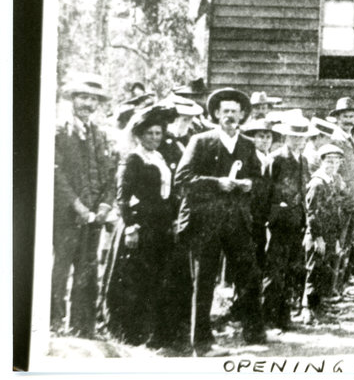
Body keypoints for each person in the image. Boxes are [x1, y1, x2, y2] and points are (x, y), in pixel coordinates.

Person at [174, 87, 266, 354]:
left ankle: (254, 334)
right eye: (225, 111)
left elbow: (259, 180)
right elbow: (183, 180)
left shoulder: (247, 145)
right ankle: (201, 342)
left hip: (237, 222)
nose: (230, 116)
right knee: (204, 282)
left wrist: (250, 184)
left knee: (249, 276)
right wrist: (217, 184)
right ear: (216, 113)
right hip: (206, 223)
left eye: (235, 112)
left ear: (242, 116)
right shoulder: (201, 141)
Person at [102, 104, 183, 347]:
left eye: (159, 134)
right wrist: (130, 228)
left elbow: (167, 193)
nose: (155, 138)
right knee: (136, 279)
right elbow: (122, 196)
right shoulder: (133, 159)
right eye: (150, 134)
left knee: (158, 278)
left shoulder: (160, 157)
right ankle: (131, 331)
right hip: (140, 227)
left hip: (160, 227)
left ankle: (154, 332)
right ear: (139, 135)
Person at [52, 73, 116, 338]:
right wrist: (78, 206)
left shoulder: (100, 134)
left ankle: (83, 327)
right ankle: (54, 324)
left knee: (88, 270)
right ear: (72, 99)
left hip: (95, 215)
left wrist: (103, 206)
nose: (88, 103)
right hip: (67, 214)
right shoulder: (59, 131)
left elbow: (110, 174)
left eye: (93, 99)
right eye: (83, 97)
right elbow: (57, 174)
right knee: (61, 267)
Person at [261, 116, 316, 330]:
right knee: (274, 271)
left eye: (302, 137)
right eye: (294, 137)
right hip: (278, 222)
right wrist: (273, 213)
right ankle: (268, 318)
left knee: (292, 269)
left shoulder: (302, 159)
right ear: (286, 137)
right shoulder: (276, 159)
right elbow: (266, 190)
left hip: (297, 221)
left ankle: (284, 317)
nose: (298, 141)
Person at [302, 145, 348, 324]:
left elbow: (337, 211)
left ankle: (319, 309)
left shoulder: (334, 180)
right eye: (329, 161)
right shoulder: (317, 183)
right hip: (316, 235)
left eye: (337, 162)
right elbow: (312, 213)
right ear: (321, 162)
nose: (333, 165)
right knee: (312, 272)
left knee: (323, 272)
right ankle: (308, 311)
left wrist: (335, 239)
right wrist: (318, 238)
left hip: (330, 235)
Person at [326, 97, 354, 296]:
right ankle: (331, 288)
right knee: (337, 246)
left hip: (353, 201)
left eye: (351, 117)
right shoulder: (335, 140)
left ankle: (340, 284)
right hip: (341, 202)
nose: (349, 121)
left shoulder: (350, 139)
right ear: (337, 118)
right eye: (345, 117)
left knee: (347, 246)